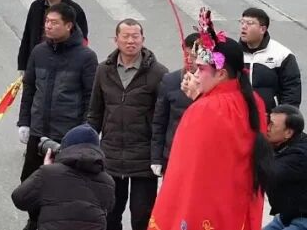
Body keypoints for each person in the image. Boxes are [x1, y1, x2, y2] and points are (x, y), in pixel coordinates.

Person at [148, 17, 273, 230]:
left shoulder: (206, 109)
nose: (196, 75)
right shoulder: (253, 101)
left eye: (201, 69)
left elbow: (186, 169)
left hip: (206, 206)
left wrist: (199, 101)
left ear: (221, 73)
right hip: (235, 203)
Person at [18, 3, 98, 229]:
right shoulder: (39, 52)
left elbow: (90, 97)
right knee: (30, 184)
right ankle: (35, 222)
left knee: (64, 187)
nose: (48, 26)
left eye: (54, 23)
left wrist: (85, 131)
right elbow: (30, 88)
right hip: (38, 132)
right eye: (47, 22)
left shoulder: (85, 57)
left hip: (67, 137)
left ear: (69, 26)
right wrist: (24, 122)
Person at [87, 19, 168, 230]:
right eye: (125, 36)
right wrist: (86, 147)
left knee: (142, 216)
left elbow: (163, 117)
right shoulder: (103, 70)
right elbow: (95, 112)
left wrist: (161, 156)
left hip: (144, 159)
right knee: (110, 214)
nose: (130, 41)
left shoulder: (159, 73)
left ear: (143, 40)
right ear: (116, 40)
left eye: (135, 36)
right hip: (110, 156)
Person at [11, 123, 115, 230]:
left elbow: (19, 199)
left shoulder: (48, 173)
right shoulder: (108, 181)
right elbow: (108, 207)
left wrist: (44, 170)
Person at [17, 0, 89, 73]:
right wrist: (22, 66)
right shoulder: (36, 6)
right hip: (36, 65)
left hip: (63, 68)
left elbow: (82, 42)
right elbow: (27, 36)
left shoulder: (75, 11)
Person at [150, 33, 198, 175]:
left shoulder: (214, 82)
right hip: (174, 154)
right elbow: (160, 120)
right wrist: (156, 158)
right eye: (186, 54)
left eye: (194, 56)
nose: (189, 60)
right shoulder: (171, 80)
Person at [240, 7, 301, 112]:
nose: (243, 27)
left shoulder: (282, 55)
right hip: (240, 118)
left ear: (262, 29)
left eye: (249, 23)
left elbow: (291, 91)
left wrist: (283, 119)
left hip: (269, 119)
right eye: (242, 22)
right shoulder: (234, 53)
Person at [262, 104, 307, 230]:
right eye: (267, 122)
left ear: (288, 132)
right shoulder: (280, 143)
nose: (267, 128)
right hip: (287, 215)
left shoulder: (300, 154)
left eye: (272, 125)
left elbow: (268, 173)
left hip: (303, 219)